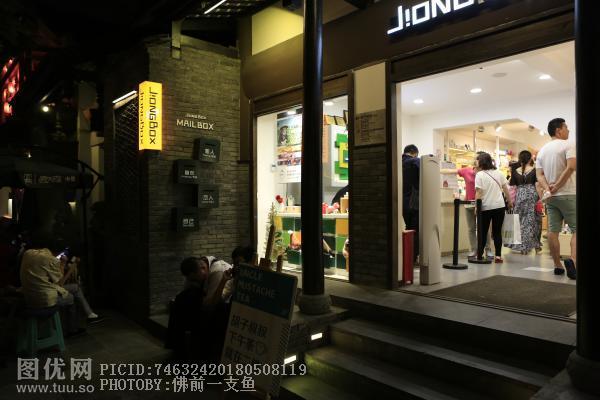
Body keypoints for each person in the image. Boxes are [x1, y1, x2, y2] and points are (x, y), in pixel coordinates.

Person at [166, 256, 233, 360]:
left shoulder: (217, 271)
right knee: (179, 301)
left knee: (193, 312)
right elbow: (187, 288)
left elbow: (212, 303)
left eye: (195, 278)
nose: (195, 280)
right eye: (192, 279)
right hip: (207, 300)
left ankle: (193, 352)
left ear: (203, 269)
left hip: (220, 306)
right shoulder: (199, 264)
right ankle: (176, 346)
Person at [536, 118, 576, 279]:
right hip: (569, 193)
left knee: (553, 231)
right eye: (566, 127)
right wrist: (558, 186)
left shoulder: (542, 150)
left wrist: (548, 188)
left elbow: (539, 175)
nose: (568, 130)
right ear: (558, 130)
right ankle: (573, 261)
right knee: (577, 230)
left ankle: (557, 266)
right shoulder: (569, 145)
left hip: (551, 197)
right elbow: (571, 167)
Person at [441, 154, 493, 258]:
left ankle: (488, 250)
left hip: (482, 203)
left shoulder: (485, 173)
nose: (476, 161)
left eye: (478, 159)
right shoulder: (467, 171)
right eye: (476, 159)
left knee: (485, 228)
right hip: (469, 203)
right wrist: (435, 169)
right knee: (471, 228)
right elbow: (451, 171)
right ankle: (474, 249)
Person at [475, 152, 513, 263]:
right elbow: (506, 189)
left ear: (481, 162)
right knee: (497, 232)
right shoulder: (499, 173)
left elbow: (479, 192)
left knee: (483, 232)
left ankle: (480, 255)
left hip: (485, 207)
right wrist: (509, 201)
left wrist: (477, 207)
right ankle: (498, 256)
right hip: (499, 206)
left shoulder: (480, 175)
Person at [508, 150, 542, 255]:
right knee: (531, 221)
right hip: (532, 195)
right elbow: (537, 185)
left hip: (520, 195)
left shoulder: (515, 171)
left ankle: (521, 246)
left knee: (518, 220)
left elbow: (512, 186)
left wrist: (511, 200)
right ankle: (532, 245)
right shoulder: (534, 170)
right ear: (530, 158)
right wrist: (542, 198)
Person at [402, 144, 420, 262]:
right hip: (413, 203)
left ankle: (405, 256)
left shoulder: (397, 162)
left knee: (406, 229)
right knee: (414, 230)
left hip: (401, 202)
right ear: (414, 152)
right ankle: (412, 257)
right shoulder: (415, 161)